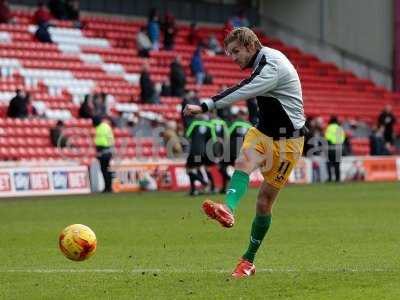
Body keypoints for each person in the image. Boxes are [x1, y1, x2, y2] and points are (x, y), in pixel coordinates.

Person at [183, 27, 306, 278]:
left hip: (288, 143)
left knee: (263, 203)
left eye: (236, 51)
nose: (234, 57)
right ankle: (228, 208)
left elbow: (244, 89)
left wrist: (205, 105)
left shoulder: (272, 66)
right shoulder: (264, 61)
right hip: (262, 133)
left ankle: (248, 260)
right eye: (230, 53)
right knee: (242, 165)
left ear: (251, 46)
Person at [93, 116, 114, 193]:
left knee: (105, 169)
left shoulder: (100, 128)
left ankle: (108, 187)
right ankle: (108, 187)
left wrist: (99, 151)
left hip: (103, 150)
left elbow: (100, 141)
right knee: (106, 169)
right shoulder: (106, 126)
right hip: (107, 150)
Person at [324, 116, 345, 182]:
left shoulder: (329, 127)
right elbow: (342, 138)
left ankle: (330, 178)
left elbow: (326, 137)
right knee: (337, 164)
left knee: (329, 164)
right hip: (338, 148)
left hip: (330, 148)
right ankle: (337, 178)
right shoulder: (339, 128)